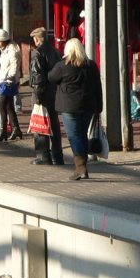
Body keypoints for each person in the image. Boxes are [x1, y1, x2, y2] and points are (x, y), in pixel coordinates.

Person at [49, 38, 104, 180]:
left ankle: (80, 167)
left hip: (70, 107)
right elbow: (98, 86)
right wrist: (99, 106)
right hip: (88, 106)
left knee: (74, 136)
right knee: (82, 134)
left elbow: (51, 77)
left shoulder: (63, 66)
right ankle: (82, 166)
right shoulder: (91, 65)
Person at [28, 27, 65, 165]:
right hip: (54, 92)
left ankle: (43, 155)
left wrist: (37, 97)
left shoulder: (38, 53)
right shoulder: (55, 52)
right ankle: (57, 155)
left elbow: (37, 77)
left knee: (40, 124)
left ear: (37, 39)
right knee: (54, 124)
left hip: (42, 93)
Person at [0, 29, 23, 141]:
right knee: (9, 107)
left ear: (4, 40)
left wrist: (9, 77)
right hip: (7, 81)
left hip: (9, 82)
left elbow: (14, 66)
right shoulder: (6, 49)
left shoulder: (12, 51)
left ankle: (3, 132)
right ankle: (16, 129)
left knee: (1, 106)